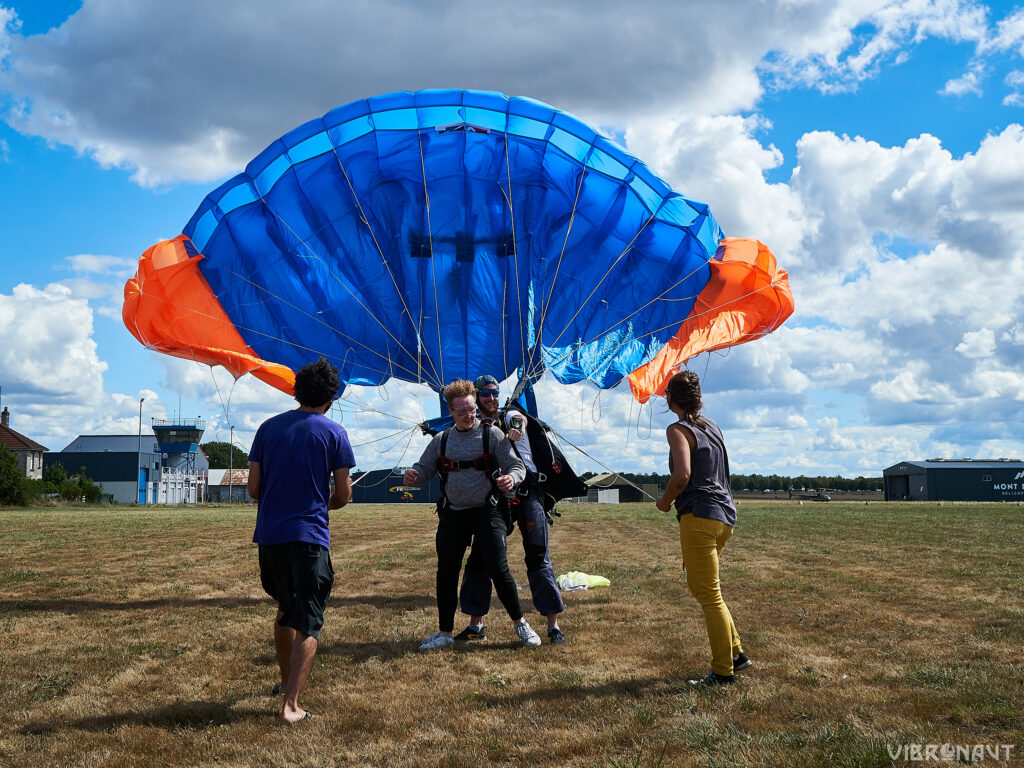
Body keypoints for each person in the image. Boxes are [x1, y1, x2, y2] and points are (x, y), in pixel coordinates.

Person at [247, 357, 356, 722]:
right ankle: (291, 706)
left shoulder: (267, 428)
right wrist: (314, 505)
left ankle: (284, 682)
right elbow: (342, 495)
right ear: (331, 396)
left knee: (285, 608)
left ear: (296, 390)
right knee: (308, 618)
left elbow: (253, 489)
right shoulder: (334, 433)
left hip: (270, 536)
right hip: (308, 536)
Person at [403, 378, 542, 650]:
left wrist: (512, 480)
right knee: (446, 571)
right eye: (462, 410)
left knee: (498, 568)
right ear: (450, 412)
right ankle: (444, 633)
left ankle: (521, 624)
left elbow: (517, 466)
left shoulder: (493, 435)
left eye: (471, 409)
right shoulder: (442, 441)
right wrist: (414, 476)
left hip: (488, 511)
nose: (469, 415)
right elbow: (424, 470)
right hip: (454, 514)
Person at [655, 370, 751, 687]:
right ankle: (736, 653)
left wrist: (665, 501)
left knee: (709, 595)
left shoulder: (677, 430)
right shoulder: (712, 425)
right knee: (703, 588)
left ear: (671, 398)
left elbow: (682, 476)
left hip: (700, 516)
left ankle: (723, 671)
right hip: (724, 517)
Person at [456, 374, 567, 644]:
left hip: (527, 492)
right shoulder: (473, 427)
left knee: (538, 556)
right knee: (481, 559)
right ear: (476, 397)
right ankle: (476, 625)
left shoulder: (510, 415)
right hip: (496, 498)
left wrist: (516, 427)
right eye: (485, 394)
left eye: (494, 392)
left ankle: (553, 626)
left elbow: (520, 420)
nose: (491, 398)